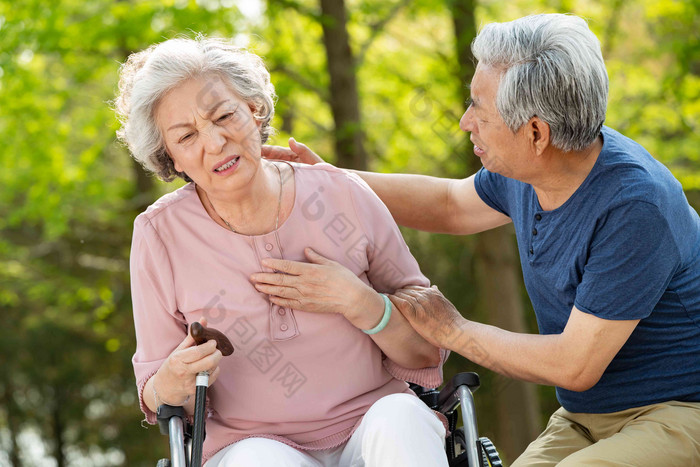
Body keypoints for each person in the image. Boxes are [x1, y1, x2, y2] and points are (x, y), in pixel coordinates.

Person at [263, 13, 700, 466]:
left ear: (535, 132)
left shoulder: (634, 207)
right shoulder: (533, 169)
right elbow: (450, 204)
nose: (464, 121)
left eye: (479, 109)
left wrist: (454, 331)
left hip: (678, 410)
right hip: (586, 417)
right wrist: (333, 182)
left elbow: (576, 364)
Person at [115, 36, 451, 467]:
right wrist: (171, 380)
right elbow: (155, 391)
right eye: (186, 136)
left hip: (375, 425)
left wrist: (362, 303)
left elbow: (427, 350)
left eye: (224, 115)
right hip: (251, 445)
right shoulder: (159, 235)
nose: (215, 142)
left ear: (254, 110)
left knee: (402, 417)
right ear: (171, 158)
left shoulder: (343, 194)